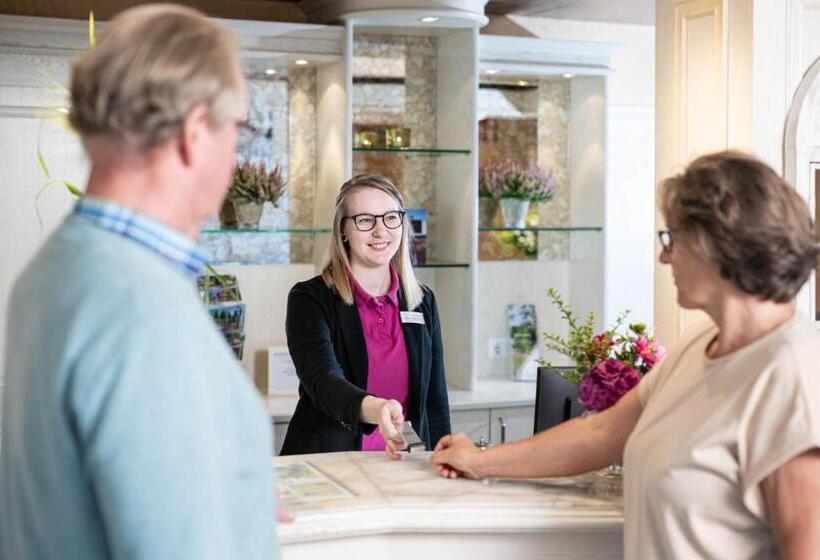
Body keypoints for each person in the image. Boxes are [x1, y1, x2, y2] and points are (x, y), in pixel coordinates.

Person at [431, 151, 820, 558]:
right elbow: (599, 435)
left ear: (719, 244)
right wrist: (479, 460)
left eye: (672, 239)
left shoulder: (793, 377)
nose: (664, 256)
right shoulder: (701, 343)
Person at [0, 5, 281, 559]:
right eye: (238, 130)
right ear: (194, 133)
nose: (235, 158)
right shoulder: (142, 309)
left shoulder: (52, 270)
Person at [281, 174, 451, 458]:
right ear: (343, 230)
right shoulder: (310, 299)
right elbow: (324, 383)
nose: (380, 231)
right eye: (365, 220)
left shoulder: (422, 301)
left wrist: (444, 458)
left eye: (390, 218)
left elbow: (435, 399)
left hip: (402, 464)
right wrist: (377, 408)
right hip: (330, 463)